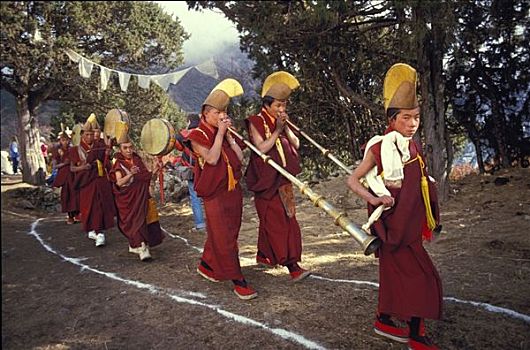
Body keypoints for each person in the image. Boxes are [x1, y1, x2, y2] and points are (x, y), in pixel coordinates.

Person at [347, 63, 442, 350]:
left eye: (415, 117)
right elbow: (353, 180)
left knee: (394, 277)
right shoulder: (380, 146)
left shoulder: (412, 145)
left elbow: (419, 183)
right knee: (422, 278)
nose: (412, 123)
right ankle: (415, 335)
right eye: (405, 117)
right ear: (392, 118)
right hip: (392, 228)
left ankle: (383, 319)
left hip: (410, 226)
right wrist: (374, 199)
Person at [187, 79, 257, 300]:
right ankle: (238, 280)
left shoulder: (225, 132)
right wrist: (220, 135)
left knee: (230, 233)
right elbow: (212, 158)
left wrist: (229, 136)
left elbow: (239, 157)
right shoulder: (197, 135)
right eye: (217, 112)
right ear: (206, 114)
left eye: (223, 112)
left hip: (232, 190)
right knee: (223, 235)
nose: (221, 116)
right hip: (214, 195)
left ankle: (208, 265)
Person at [245, 71, 311, 282]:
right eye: (277, 106)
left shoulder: (282, 120)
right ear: (267, 105)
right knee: (277, 222)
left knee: (284, 217)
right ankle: (292, 266)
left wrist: (286, 128)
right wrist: (276, 132)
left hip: (283, 178)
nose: (281, 110)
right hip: (266, 179)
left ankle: (264, 255)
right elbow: (262, 148)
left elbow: (296, 144)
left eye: (284, 106)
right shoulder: (255, 121)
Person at [109, 129, 164, 261]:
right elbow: (119, 183)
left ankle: (141, 245)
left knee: (142, 222)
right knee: (134, 223)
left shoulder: (137, 160)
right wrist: (130, 174)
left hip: (141, 196)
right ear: (120, 149)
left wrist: (156, 169)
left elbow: (147, 177)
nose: (128, 150)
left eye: (130, 147)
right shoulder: (118, 164)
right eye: (125, 148)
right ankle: (141, 247)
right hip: (128, 200)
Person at [70, 114, 116, 247]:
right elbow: (72, 168)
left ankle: (99, 232)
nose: (90, 137)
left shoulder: (99, 146)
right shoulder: (76, 150)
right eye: (87, 135)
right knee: (89, 206)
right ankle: (93, 229)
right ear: (82, 135)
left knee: (100, 204)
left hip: (99, 178)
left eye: (92, 134)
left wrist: (107, 154)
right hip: (85, 181)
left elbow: (104, 161)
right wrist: (84, 167)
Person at [175, 113, 206, 232]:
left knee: (195, 197)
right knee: (209, 195)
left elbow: (177, 146)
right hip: (204, 169)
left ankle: (200, 224)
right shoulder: (203, 132)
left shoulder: (182, 135)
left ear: (188, 121)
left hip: (190, 170)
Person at [52, 132, 80, 224]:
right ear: (60, 140)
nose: (65, 142)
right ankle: (70, 216)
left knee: (76, 193)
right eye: (63, 140)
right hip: (64, 175)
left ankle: (77, 214)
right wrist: (64, 163)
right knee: (66, 195)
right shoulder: (57, 150)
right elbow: (55, 166)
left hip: (73, 175)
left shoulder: (73, 149)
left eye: (67, 140)